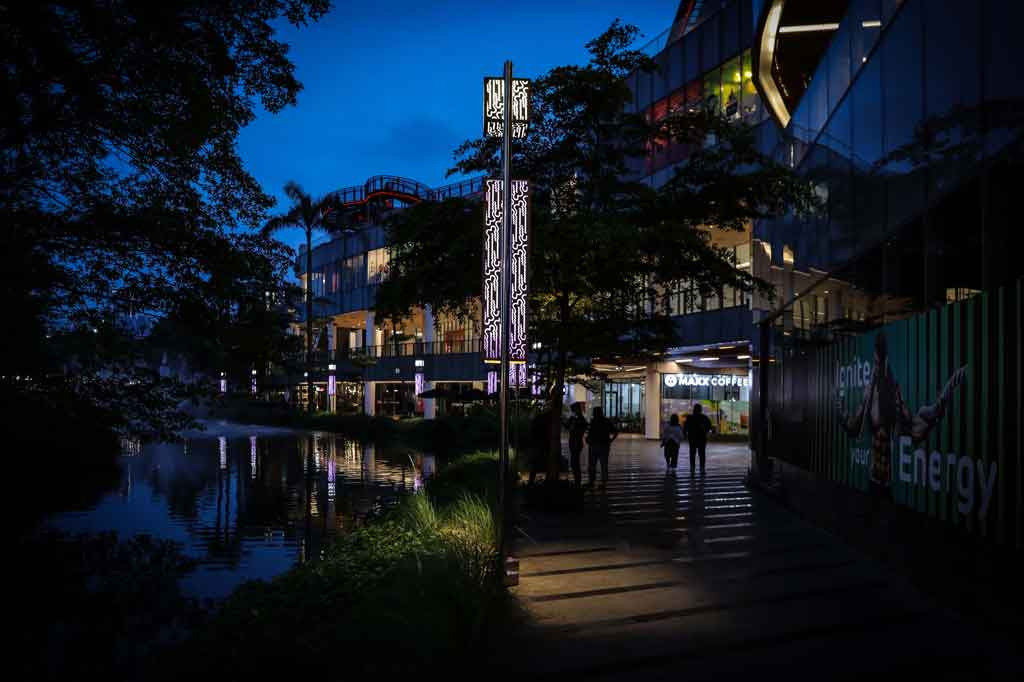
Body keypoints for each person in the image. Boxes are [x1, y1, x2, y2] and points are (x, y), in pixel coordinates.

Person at [586, 407, 618, 489]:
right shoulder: (606, 421)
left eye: (594, 413)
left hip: (594, 445)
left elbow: (590, 433)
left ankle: (592, 481)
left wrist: (588, 439)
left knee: (592, 465)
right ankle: (603, 483)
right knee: (603, 465)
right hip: (604, 446)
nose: (594, 414)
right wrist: (610, 440)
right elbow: (615, 431)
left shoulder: (593, 421)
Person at [683, 403, 713, 476]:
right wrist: (706, 431)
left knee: (692, 454)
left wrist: (685, 434)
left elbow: (685, 427)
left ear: (694, 409)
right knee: (702, 454)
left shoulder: (690, 418)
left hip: (692, 438)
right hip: (701, 439)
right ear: (700, 410)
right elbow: (709, 427)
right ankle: (702, 468)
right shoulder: (704, 418)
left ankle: (692, 469)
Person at [563, 403, 588, 487]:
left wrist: (573, 429)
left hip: (576, 442)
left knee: (575, 462)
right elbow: (567, 426)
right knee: (574, 462)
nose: (573, 411)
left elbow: (581, 429)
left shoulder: (580, 419)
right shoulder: (575, 418)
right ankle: (577, 480)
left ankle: (577, 481)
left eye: (574, 409)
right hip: (574, 442)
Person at [528, 409, 552, 485]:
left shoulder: (537, 421)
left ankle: (531, 481)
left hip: (538, 444)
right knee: (544, 462)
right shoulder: (543, 422)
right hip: (542, 444)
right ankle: (545, 479)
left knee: (535, 463)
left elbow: (532, 433)